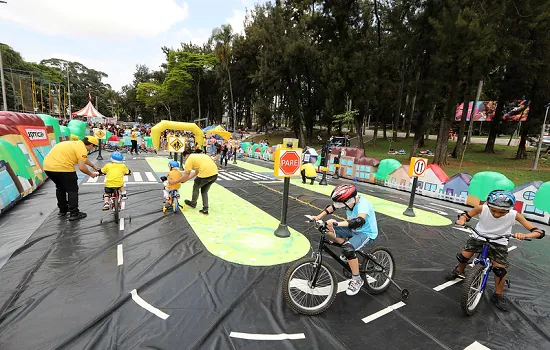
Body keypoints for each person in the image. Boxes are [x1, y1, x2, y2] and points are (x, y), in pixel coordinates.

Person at [447, 190, 545, 311]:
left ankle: (498, 295)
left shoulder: (514, 215)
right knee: (464, 256)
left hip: (499, 241)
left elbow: (538, 231)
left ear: (509, 210)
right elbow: (465, 215)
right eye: (494, 210)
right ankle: (459, 271)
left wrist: (526, 235)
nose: (497, 214)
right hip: (479, 236)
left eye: (502, 212)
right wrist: (462, 220)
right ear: (488, 205)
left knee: (500, 270)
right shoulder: (481, 208)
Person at [311, 184, 378, 296]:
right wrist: (318, 217)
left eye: (344, 205)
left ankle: (357, 280)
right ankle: (348, 250)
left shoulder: (363, 204)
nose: (343, 207)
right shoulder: (350, 201)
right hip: (352, 229)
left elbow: (359, 221)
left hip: (366, 233)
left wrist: (337, 223)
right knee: (325, 227)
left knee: (348, 249)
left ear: (350, 199)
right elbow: (332, 207)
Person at [43, 136, 100, 221]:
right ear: (91, 145)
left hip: (48, 168)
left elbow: (82, 158)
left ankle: (63, 210)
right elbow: (81, 167)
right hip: (63, 168)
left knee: (60, 188)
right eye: (94, 146)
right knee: (72, 190)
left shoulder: (74, 144)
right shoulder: (82, 149)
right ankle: (74, 213)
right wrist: (91, 174)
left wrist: (93, 166)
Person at [170, 150, 218, 215]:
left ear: (186, 155)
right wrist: (186, 180)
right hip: (214, 174)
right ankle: (205, 209)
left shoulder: (189, 159)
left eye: (185, 158)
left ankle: (193, 203)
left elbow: (186, 174)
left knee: (196, 185)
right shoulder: (200, 156)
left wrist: (175, 181)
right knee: (204, 191)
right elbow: (196, 172)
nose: (185, 159)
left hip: (205, 174)